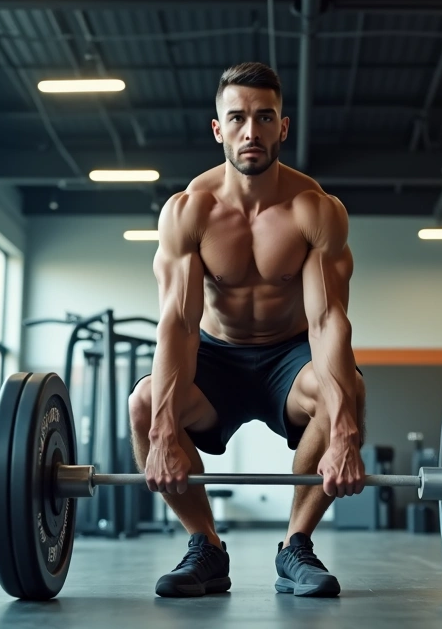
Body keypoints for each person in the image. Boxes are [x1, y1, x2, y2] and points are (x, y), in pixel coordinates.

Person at [127, 61, 367, 599]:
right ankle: (206, 547)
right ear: (218, 129)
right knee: (144, 404)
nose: (251, 131)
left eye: (264, 117)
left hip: (289, 358)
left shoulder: (315, 210)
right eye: (237, 118)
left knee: (346, 390)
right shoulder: (190, 211)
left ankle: (296, 546)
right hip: (216, 356)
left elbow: (327, 321)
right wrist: (162, 431)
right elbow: (179, 323)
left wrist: (345, 430)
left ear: (284, 126)